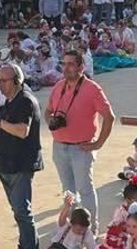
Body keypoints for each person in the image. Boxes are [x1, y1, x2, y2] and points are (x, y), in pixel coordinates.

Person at [45, 49, 115, 229]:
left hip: (81, 148)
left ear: (81, 67)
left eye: (70, 64)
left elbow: (109, 117)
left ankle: (91, 229)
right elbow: (47, 111)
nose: (66, 68)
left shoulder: (92, 89)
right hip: (59, 146)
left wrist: (98, 143)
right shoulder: (59, 86)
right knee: (68, 191)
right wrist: (51, 121)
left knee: (85, 191)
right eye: (64, 63)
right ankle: (71, 227)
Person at [0, 62, 41, 249]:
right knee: (18, 211)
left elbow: (21, 130)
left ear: (16, 81)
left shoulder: (25, 101)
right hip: (6, 163)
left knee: (23, 211)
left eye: (3, 81)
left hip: (20, 164)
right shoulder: (10, 100)